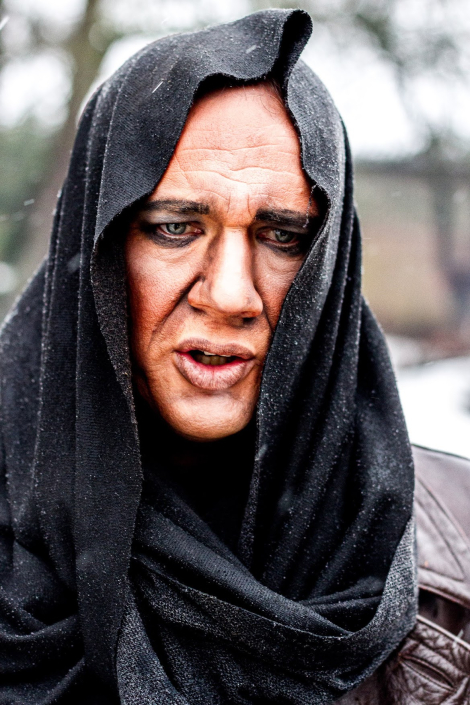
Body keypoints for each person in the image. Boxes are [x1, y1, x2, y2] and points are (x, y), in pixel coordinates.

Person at [0, 8, 469, 704]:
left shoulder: (456, 564)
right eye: (174, 227)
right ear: (97, 249)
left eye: (282, 236)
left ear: (330, 268)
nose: (230, 295)